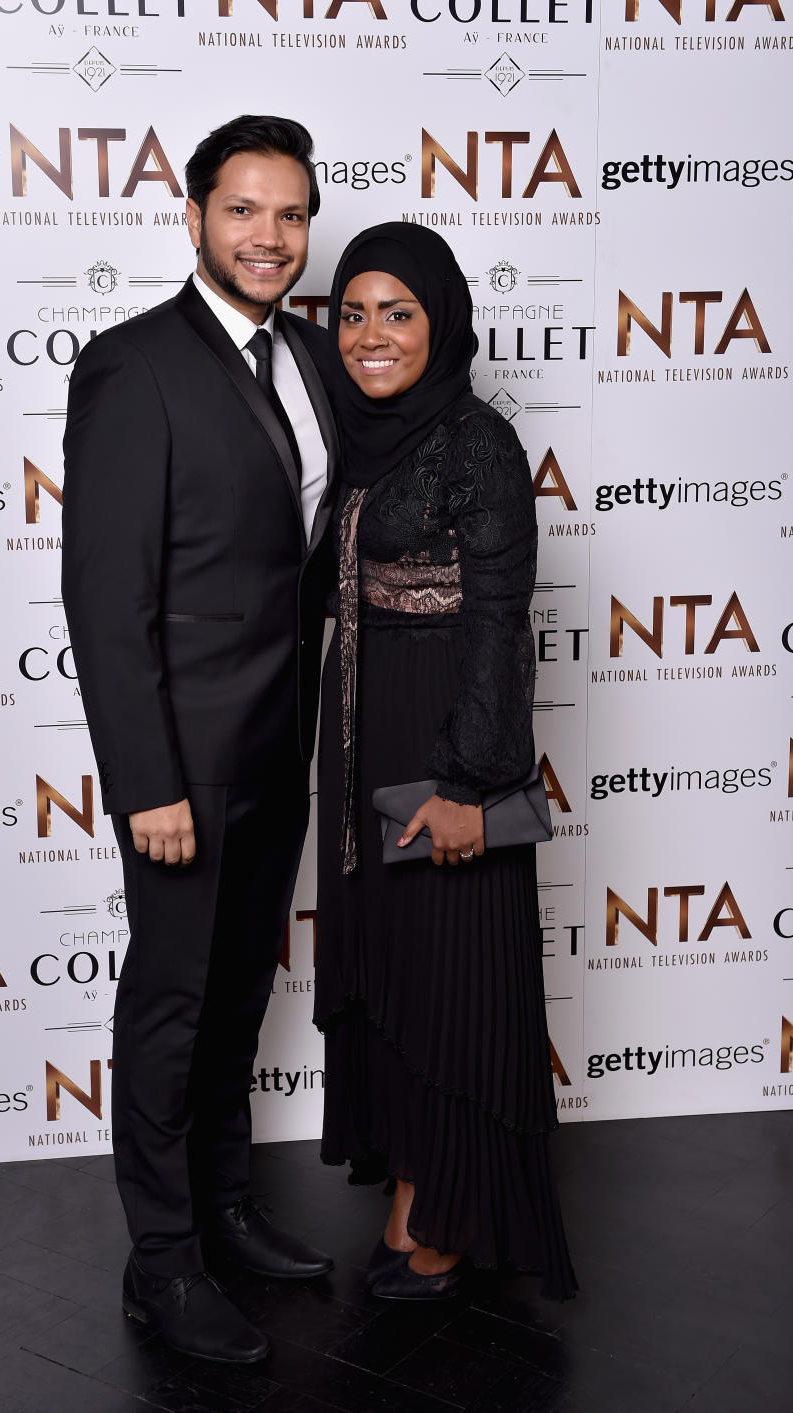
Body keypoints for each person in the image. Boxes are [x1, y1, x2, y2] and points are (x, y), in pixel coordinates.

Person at [61, 115, 339, 1364]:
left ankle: (226, 1211)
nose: (269, 238)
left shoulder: (316, 359)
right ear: (193, 217)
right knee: (172, 1007)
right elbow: (105, 596)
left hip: (284, 748)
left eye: (290, 216)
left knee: (237, 998)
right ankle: (162, 1262)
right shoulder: (134, 366)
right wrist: (146, 783)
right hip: (183, 764)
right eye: (244, 211)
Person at [313, 223, 576, 1302]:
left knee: (453, 976)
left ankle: (455, 1209)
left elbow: (499, 621)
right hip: (361, 735)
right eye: (354, 313)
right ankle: (414, 1181)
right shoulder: (354, 433)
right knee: (392, 973)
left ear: (445, 321)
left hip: (442, 740)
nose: (372, 335)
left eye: (400, 313)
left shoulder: (478, 444)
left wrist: (473, 784)